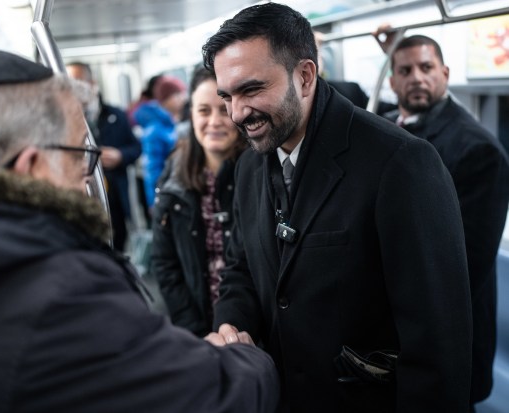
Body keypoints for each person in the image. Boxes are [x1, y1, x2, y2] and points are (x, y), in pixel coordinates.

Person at [0, 48, 280, 413]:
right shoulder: (58, 296)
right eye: (80, 155)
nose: (87, 181)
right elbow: (214, 397)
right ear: (32, 168)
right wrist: (245, 357)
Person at [201, 3, 472, 412]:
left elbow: (439, 341)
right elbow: (242, 266)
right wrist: (231, 325)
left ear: (305, 76)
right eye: (227, 96)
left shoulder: (399, 163)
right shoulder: (249, 168)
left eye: (252, 89)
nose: (238, 113)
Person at [376, 30, 509, 409]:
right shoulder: (385, 127)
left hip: (447, 334)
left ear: (445, 74)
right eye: (406, 69)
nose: (417, 77)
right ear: (393, 81)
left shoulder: (477, 149)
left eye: (427, 67)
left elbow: (464, 266)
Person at [150, 67, 248, 337]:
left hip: (252, 330)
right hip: (196, 324)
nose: (214, 121)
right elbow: (165, 263)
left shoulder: (259, 173)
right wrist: (193, 330)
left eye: (224, 109)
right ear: (191, 114)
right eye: (204, 110)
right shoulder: (174, 176)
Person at [65, 61, 141, 251]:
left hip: (115, 192)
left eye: (79, 81)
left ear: (92, 82)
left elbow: (135, 147)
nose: (75, 89)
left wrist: (120, 155)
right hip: (83, 195)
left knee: (119, 240)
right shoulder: (65, 120)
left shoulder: (116, 114)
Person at [133, 75, 187, 210]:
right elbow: (152, 170)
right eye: (177, 94)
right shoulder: (154, 131)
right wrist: (154, 202)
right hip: (167, 192)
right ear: (165, 100)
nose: (182, 98)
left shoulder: (180, 122)